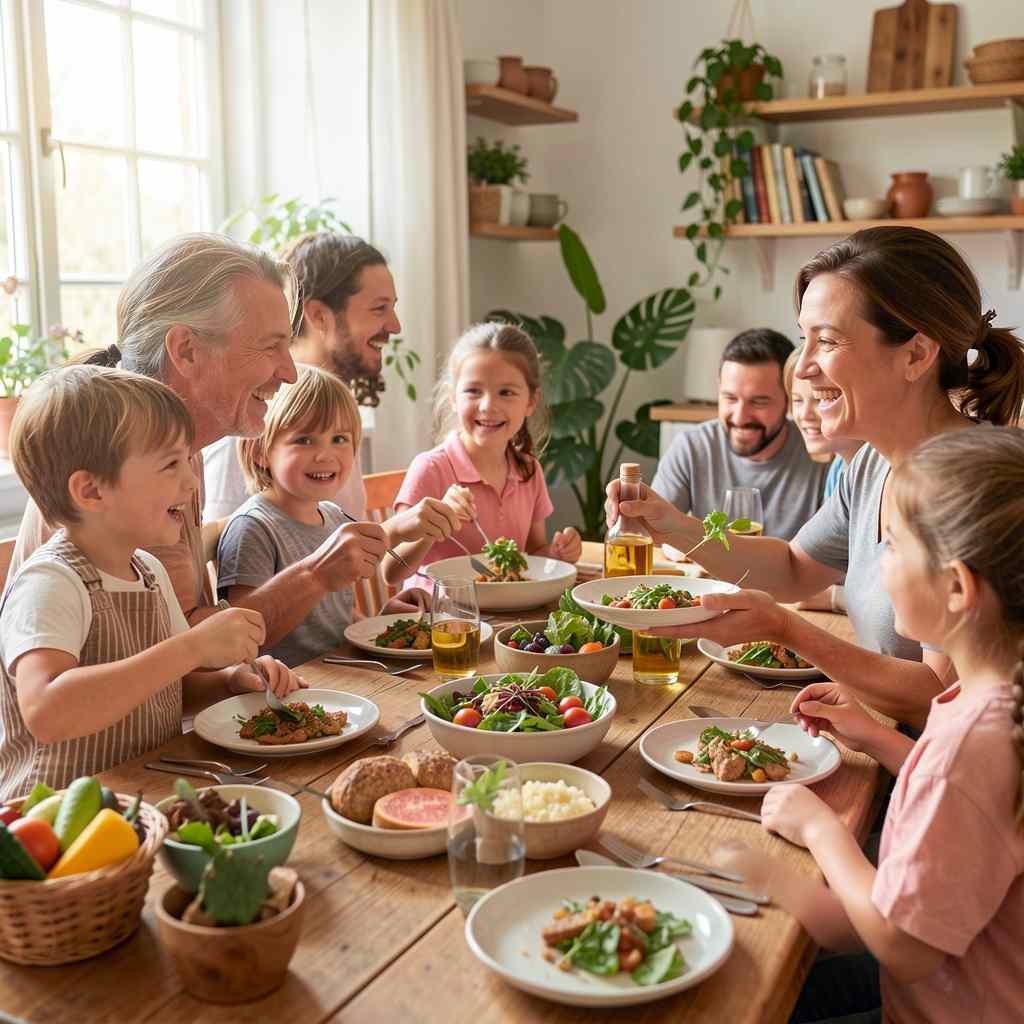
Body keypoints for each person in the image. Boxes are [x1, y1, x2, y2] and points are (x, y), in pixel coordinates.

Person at [606, 227, 1024, 727]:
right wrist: (675, 527)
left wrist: (789, 630)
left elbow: (940, 695)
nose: (802, 369)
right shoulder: (871, 462)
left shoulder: (977, 489)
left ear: (916, 354)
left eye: (825, 341)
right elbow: (793, 568)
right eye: (804, 339)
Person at [717, 428, 1024, 1024]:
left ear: (956, 587)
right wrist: (879, 738)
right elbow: (979, 804)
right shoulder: (995, 701)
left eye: (895, 547)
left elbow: (898, 944)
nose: (879, 563)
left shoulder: (967, 744)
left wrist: (814, 834)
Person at [7, 233, 388, 648]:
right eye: (270, 346)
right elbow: (184, 649)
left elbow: (186, 635)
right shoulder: (122, 466)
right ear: (186, 350)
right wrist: (314, 574)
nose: (289, 372)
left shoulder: (180, 453)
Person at [0, 366, 305, 799]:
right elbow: (47, 711)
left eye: (187, 461)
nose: (191, 481)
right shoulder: (50, 582)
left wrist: (230, 681)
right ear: (91, 491)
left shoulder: (148, 571)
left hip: (140, 800)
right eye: (170, 465)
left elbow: (166, 691)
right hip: (54, 822)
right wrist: (192, 647)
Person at [217, 367, 438, 666]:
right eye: (305, 440)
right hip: (293, 683)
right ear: (260, 450)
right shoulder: (252, 527)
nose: (325, 455)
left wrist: (383, 622)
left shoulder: (334, 517)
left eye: (339, 439)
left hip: (344, 670)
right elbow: (244, 635)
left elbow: (335, 621)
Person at [392, 322, 582, 582]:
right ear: (453, 397)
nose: (488, 406)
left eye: (506, 392)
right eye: (473, 391)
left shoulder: (528, 470)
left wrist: (556, 554)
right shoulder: (431, 469)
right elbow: (391, 571)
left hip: (508, 606)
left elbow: (534, 552)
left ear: (531, 401)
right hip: (439, 606)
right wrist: (433, 525)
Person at [652, 328, 828, 541]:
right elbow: (653, 535)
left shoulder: (821, 456)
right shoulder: (692, 448)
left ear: (788, 400)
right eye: (730, 398)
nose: (740, 417)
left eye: (759, 402)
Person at [784, 347, 863, 614]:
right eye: (797, 400)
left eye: (820, 399)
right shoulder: (839, 469)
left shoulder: (882, 472)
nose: (805, 414)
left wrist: (833, 598)